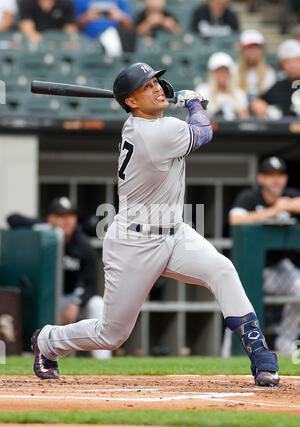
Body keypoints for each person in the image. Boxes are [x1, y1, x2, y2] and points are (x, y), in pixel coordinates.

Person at [31, 61, 279, 387]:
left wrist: (180, 104)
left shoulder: (151, 125)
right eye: (146, 87)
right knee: (112, 334)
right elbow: (203, 132)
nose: (157, 88)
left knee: (222, 269)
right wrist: (194, 103)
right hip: (134, 243)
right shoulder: (155, 132)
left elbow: (178, 123)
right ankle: (48, 340)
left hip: (175, 233)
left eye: (156, 82)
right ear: (131, 102)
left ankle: (260, 354)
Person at [7, 197, 110, 359]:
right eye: (61, 216)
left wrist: (76, 301)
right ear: (51, 218)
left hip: (72, 299)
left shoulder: (83, 244)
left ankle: (103, 360)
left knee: (97, 304)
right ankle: (40, 353)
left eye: (70, 216)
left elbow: (91, 284)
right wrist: (46, 225)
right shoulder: (44, 235)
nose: (66, 221)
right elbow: (12, 219)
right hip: (47, 299)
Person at [229, 156, 300, 355]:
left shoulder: (290, 195)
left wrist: (288, 205)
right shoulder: (250, 197)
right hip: (251, 269)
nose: (276, 180)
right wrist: (273, 211)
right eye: (270, 175)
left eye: (279, 175)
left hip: (280, 269)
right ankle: (246, 346)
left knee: (299, 287)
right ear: (261, 178)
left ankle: (286, 342)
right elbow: (235, 219)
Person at [251, 39, 300, 119]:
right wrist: (257, 104)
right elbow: (259, 101)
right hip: (284, 130)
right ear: (282, 65)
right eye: (288, 62)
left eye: (296, 61)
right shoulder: (278, 87)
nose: (293, 65)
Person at [196, 51, 248, 120]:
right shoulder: (202, 91)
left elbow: (244, 120)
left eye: (225, 71)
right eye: (219, 71)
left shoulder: (239, 94)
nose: (222, 74)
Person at [237, 29, 276, 102]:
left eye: (256, 48)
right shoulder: (233, 70)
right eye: (248, 48)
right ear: (242, 50)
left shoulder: (269, 73)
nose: (252, 52)